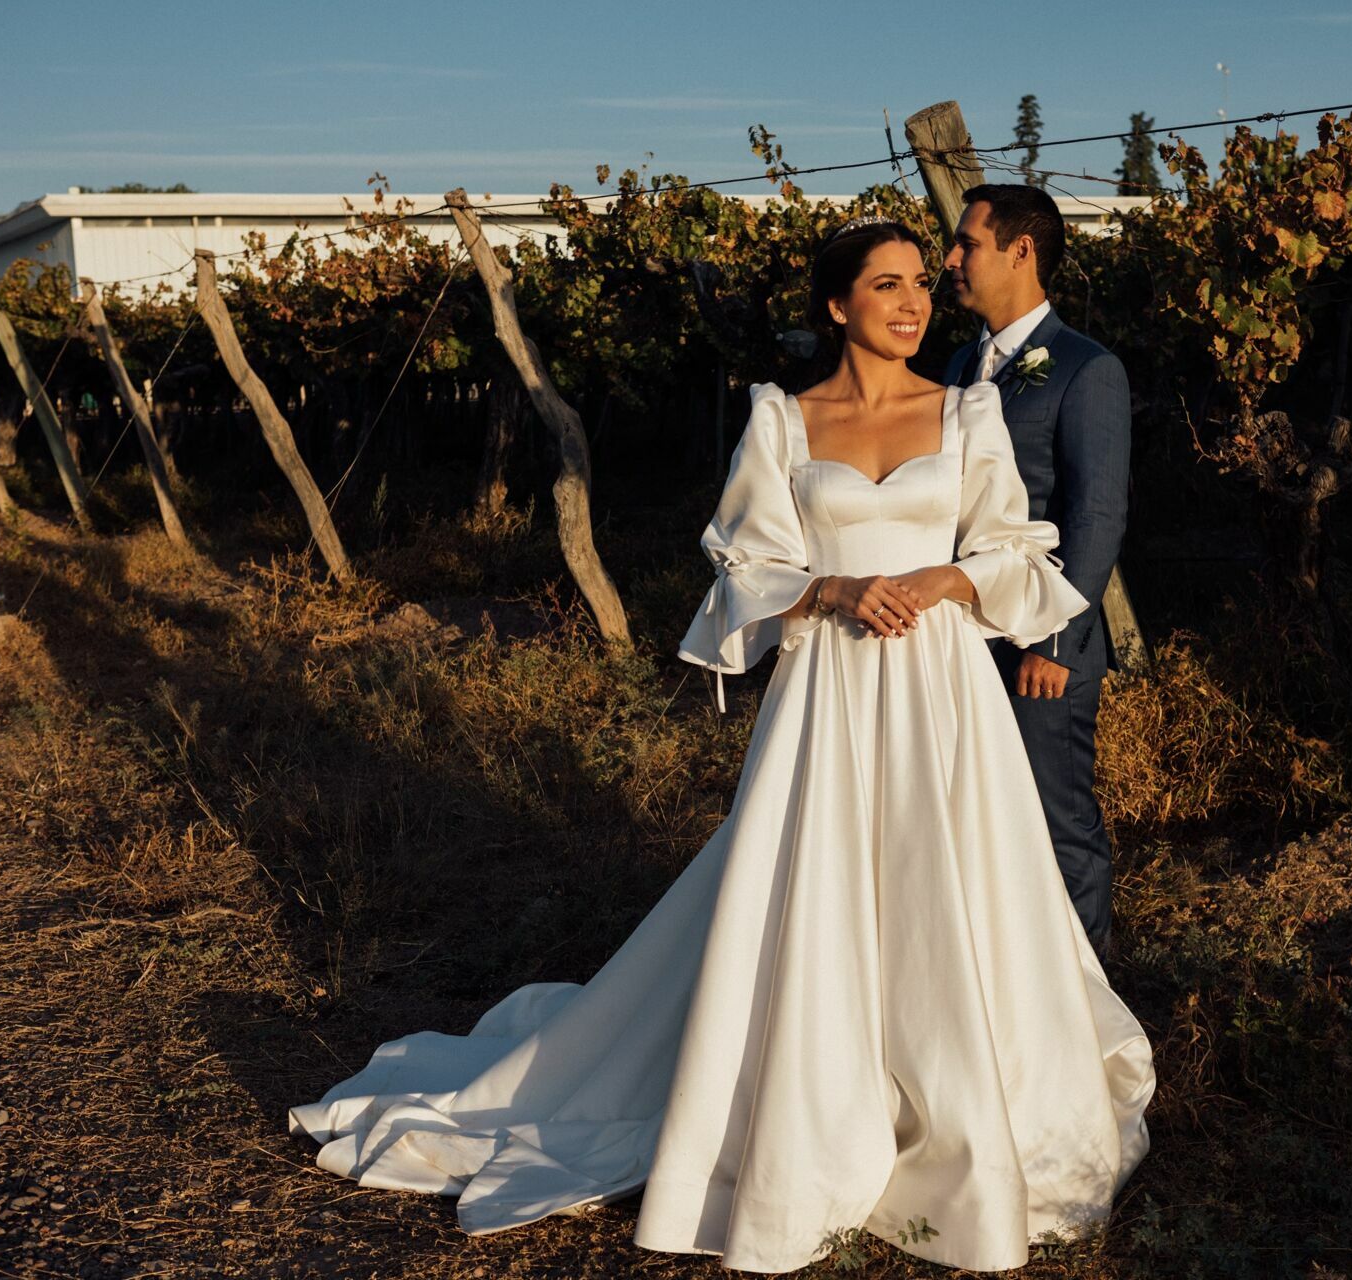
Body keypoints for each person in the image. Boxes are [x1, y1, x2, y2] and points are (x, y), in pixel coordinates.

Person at [288, 219, 1152, 1274]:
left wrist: (941, 579)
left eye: (922, 282)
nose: (914, 301)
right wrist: (831, 587)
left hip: (943, 693)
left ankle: (963, 1112)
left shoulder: (968, 410)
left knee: (951, 882)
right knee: (818, 886)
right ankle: (812, 1111)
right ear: (837, 305)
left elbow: (1017, 549)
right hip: (831, 690)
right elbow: (743, 566)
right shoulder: (782, 420)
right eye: (887, 285)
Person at [942, 185, 1131, 957]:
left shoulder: (1087, 369)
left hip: (1040, 644)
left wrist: (1053, 643)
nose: (950, 259)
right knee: (974, 819)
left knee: (1057, 820)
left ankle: (1092, 988)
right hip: (962, 636)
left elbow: (1096, 514)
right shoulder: (959, 364)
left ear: (1021, 250)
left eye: (966, 243)